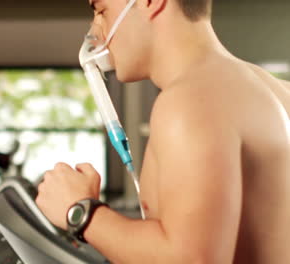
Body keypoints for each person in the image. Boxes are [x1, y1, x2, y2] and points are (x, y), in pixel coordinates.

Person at [35, 0, 290, 263]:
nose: (95, 31)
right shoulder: (275, 90)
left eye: (101, 11)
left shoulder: (192, 97)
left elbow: (191, 259)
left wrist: (81, 212)